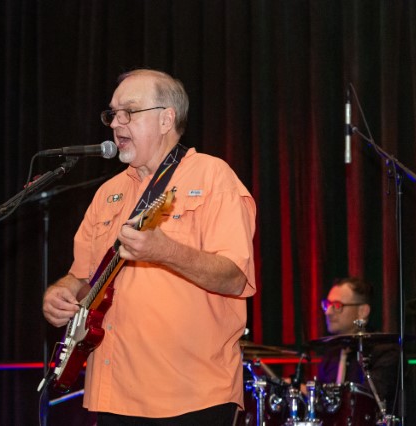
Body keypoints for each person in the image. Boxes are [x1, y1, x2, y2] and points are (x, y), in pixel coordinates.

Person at [42, 69, 256, 425]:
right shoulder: (107, 193)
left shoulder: (212, 176)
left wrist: (165, 251)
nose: (116, 124)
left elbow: (235, 278)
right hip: (113, 394)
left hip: (191, 395)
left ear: (166, 119)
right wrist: (62, 292)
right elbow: (82, 278)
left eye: (129, 112)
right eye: (113, 114)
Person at [316, 277, 399, 414]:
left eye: (337, 305)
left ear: (363, 311)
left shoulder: (385, 352)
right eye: (327, 304)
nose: (328, 312)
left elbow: (367, 402)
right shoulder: (332, 353)